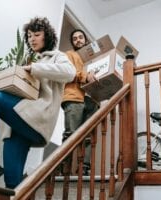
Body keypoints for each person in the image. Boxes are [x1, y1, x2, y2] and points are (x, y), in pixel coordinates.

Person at [0, 17, 76, 189]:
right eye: (29, 36)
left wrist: (35, 68)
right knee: (12, 184)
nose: (32, 39)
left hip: (37, 118)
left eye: (37, 34)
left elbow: (70, 73)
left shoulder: (57, 56)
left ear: (46, 36)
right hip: (18, 125)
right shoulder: (28, 60)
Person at [61, 29, 99, 175]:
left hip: (93, 98)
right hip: (74, 97)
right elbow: (67, 73)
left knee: (88, 136)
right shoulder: (68, 55)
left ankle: (84, 168)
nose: (78, 40)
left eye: (80, 37)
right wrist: (85, 76)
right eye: (75, 38)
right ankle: (64, 168)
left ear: (85, 39)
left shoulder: (94, 57)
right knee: (70, 134)